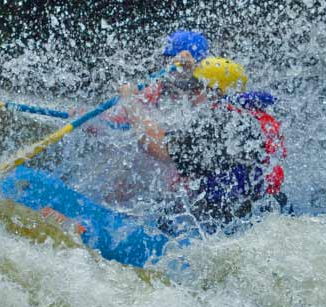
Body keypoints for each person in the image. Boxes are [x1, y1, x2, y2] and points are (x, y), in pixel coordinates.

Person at [118, 57, 286, 230]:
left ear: (215, 93)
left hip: (229, 226)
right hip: (263, 217)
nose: (189, 95)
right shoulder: (249, 118)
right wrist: (189, 68)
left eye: (196, 88)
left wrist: (131, 104)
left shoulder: (221, 123)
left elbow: (160, 148)